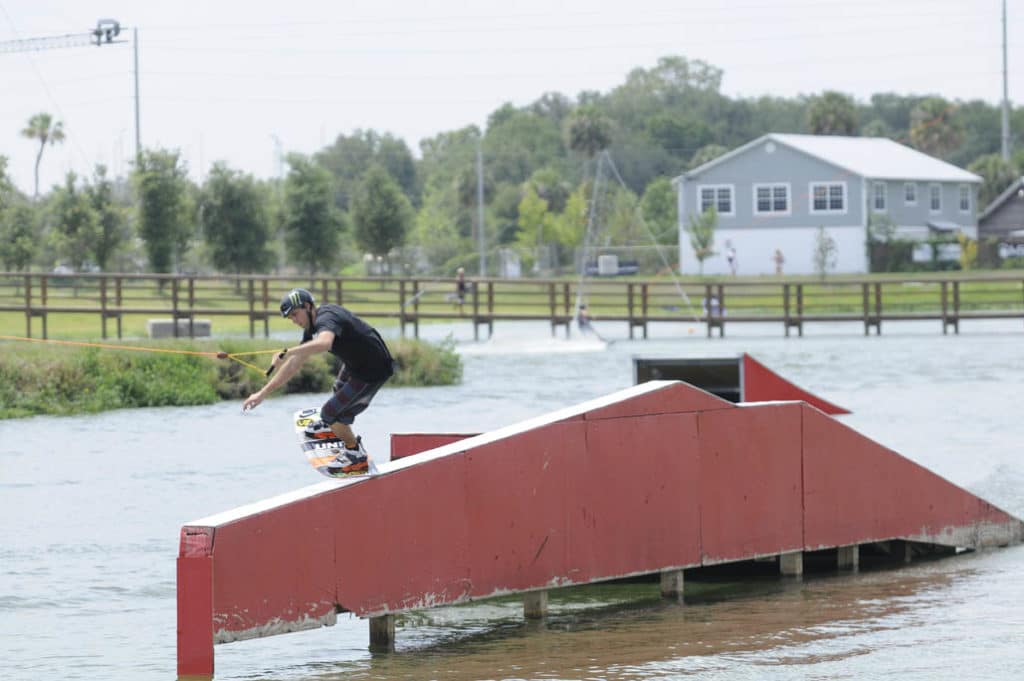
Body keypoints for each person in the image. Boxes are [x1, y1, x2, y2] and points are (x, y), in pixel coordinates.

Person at [242, 288, 395, 475]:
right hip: (356, 365)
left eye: (295, 314)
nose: (294, 320)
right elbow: (293, 365)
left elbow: (324, 343)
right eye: (290, 318)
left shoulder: (326, 318)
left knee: (330, 413)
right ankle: (333, 427)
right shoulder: (311, 327)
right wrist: (262, 394)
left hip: (373, 369)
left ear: (307, 306)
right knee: (338, 389)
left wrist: (288, 352)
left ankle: (355, 453)